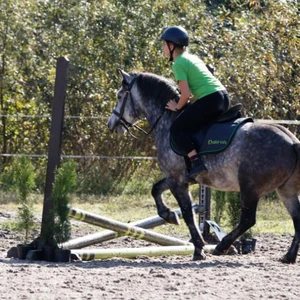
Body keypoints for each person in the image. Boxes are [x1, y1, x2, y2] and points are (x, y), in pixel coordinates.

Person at [161, 25, 230, 178]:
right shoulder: (192, 58)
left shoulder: (178, 63)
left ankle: (196, 161)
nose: (163, 48)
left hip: (210, 99)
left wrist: (176, 107)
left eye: (164, 44)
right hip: (223, 97)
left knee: (177, 129)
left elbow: (185, 95)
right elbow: (194, 92)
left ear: (171, 46)